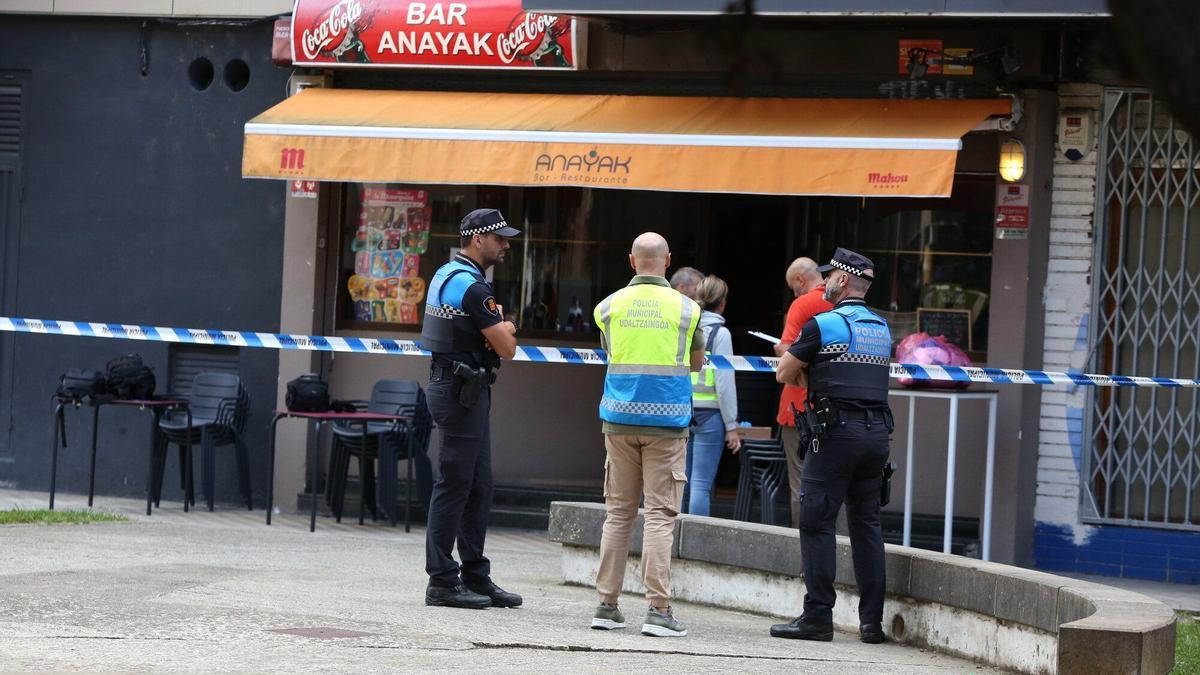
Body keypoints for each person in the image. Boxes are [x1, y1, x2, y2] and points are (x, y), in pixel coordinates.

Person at [771, 248, 892, 645]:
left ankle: (818, 617)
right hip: (877, 436)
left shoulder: (824, 324)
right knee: (867, 526)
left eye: (829, 277)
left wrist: (808, 373)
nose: (824, 284)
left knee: (817, 522)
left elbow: (783, 372)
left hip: (836, 435)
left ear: (842, 280)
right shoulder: (882, 328)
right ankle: (871, 623)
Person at [590, 232, 704, 638]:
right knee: (659, 516)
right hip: (667, 425)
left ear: (631, 261)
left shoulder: (608, 307)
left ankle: (606, 606)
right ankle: (658, 610)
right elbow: (696, 363)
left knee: (618, 514)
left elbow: (611, 351)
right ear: (668, 260)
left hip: (618, 421)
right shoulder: (688, 309)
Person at [420, 208, 523, 610]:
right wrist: (506, 326)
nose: (505, 245)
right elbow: (507, 348)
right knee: (454, 485)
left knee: (478, 484)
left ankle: (475, 575)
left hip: (462, 389)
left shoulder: (446, 274)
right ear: (478, 239)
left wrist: (492, 331)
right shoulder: (474, 288)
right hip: (460, 390)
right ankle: (442, 580)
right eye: (499, 238)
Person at [774, 257, 832, 526]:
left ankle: (803, 544)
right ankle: (839, 544)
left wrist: (781, 351)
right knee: (834, 481)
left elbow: (788, 354)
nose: (793, 293)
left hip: (798, 408)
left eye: (792, 287)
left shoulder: (802, 304)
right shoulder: (843, 304)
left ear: (799, 280)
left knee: (801, 481)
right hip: (835, 408)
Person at [683, 275, 740, 516]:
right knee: (700, 485)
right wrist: (731, 425)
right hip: (710, 416)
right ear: (722, 303)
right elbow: (724, 383)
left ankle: (670, 532)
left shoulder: (687, 328)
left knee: (681, 482)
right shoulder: (720, 334)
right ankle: (696, 536)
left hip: (683, 412)